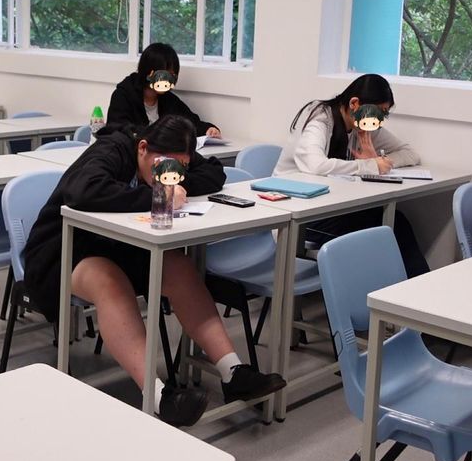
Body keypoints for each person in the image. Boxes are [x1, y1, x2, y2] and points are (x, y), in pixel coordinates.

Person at [22, 116, 285, 427]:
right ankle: (158, 395)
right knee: (110, 282)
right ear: (143, 148)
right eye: (163, 167)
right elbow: (83, 192)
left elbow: (214, 173)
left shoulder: (170, 155)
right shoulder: (112, 149)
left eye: (179, 168)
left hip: (119, 245)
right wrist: (158, 196)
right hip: (63, 249)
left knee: (179, 267)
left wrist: (175, 186)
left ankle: (233, 372)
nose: (168, 174)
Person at [275, 73, 431, 277]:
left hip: (332, 206)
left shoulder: (365, 127)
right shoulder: (320, 118)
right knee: (379, 229)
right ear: (355, 104)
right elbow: (315, 165)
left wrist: (379, 160)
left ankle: (414, 287)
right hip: (299, 212)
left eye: (384, 114)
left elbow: (409, 154)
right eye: (378, 112)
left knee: (396, 221)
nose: (379, 120)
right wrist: (368, 165)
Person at [107, 42, 221, 137]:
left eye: (172, 76)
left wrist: (208, 129)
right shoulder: (123, 95)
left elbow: (190, 122)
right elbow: (115, 129)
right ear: (149, 72)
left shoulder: (169, 100)